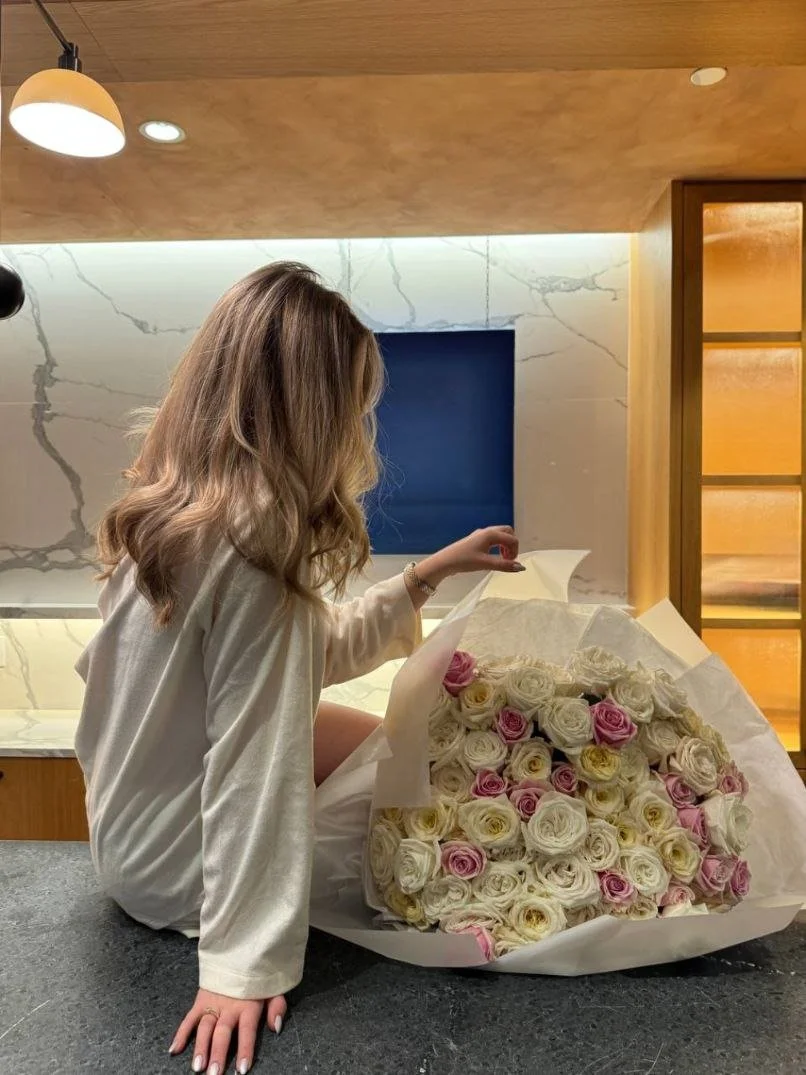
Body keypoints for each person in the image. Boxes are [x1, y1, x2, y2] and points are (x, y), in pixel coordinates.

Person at [75, 262, 523, 1075]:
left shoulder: (176, 512)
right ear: (318, 409)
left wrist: (428, 574)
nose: (360, 424)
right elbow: (256, 761)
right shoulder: (255, 545)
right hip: (182, 870)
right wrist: (240, 965)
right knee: (426, 815)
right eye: (354, 401)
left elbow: (298, 660)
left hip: (129, 840)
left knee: (396, 750)